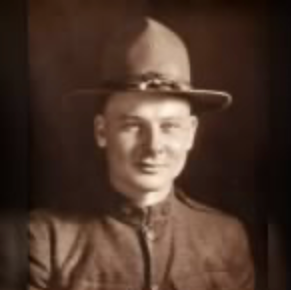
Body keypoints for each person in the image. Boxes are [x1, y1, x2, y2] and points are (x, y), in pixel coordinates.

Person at [29, 17, 255, 290]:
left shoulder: (226, 238)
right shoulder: (45, 238)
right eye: (133, 126)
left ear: (191, 133)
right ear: (102, 131)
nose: (154, 146)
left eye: (170, 126)